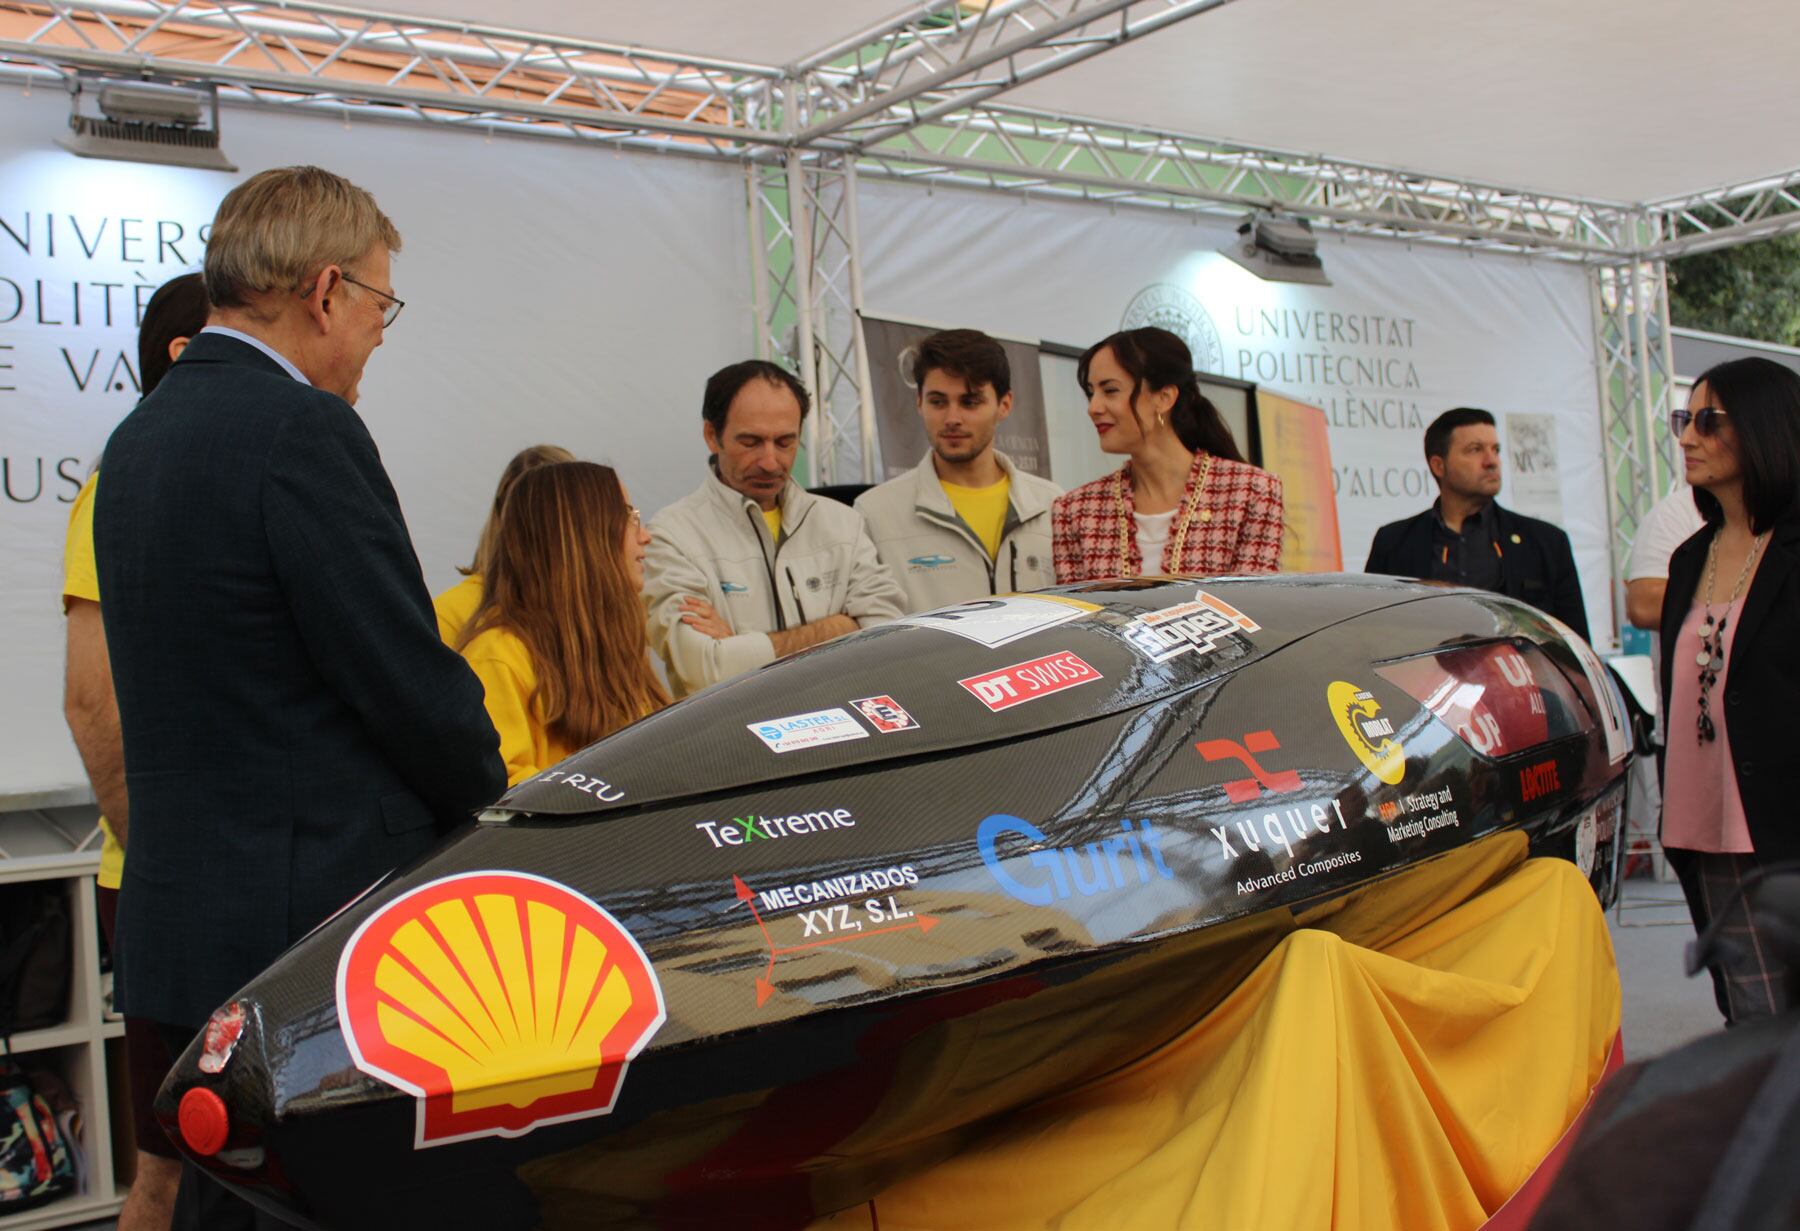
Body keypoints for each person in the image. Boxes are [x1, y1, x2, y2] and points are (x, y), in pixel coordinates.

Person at [94, 167, 505, 1227]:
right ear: (326, 291)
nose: (376, 336)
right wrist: (492, 801)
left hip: (189, 926)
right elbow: (405, 681)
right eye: (380, 305)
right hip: (315, 941)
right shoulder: (301, 430)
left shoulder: (136, 440)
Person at [61, 271, 207, 1231]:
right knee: (169, 1169)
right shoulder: (120, 485)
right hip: (165, 882)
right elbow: (91, 700)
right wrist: (163, 863)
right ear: (185, 357)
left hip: (233, 880)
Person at [1658, 357, 1800, 1024]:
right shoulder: (1689, 557)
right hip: (1706, 824)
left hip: (1784, 819)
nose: (1688, 437)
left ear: (1766, 428)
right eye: (1684, 420)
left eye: (1709, 421)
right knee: (1754, 1021)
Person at [642, 360, 906, 698]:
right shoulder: (672, 535)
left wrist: (739, 647)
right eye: (750, 442)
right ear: (711, 435)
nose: (769, 462)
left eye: (784, 442)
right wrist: (841, 626)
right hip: (736, 731)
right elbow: (703, 670)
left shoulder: (843, 523)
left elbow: (888, 639)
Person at [457, 462, 668, 783]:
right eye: (628, 516)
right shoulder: (497, 658)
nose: (645, 536)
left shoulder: (614, 640)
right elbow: (503, 793)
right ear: (584, 534)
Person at [1052, 327, 1283, 581]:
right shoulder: (1075, 510)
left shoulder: (1252, 492)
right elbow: (1071, 607)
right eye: (1091, 392)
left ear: (1164, 397)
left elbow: (1251, 603)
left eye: (1110, 391)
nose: (1093, 407)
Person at [855, 329, 1061, 611]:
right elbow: (873, 624)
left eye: (970, 402)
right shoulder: (874, 513)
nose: (952, 418)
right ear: (919, 403)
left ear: (1004, 405)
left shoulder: (1052, 505)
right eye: (938, 402)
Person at [1364, 406, 1590, 641]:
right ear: (1439, 466)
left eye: (1495, 450)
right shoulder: (1394, 543)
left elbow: (1575, 645)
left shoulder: (1547, 542)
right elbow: (1371, 635)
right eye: (1475, 450)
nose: (1492, 461)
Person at [434, 443, 575, 643]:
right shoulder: (448, 616)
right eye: (522, 511)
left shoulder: (596, 612)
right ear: (502, 516)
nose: (536, 527)